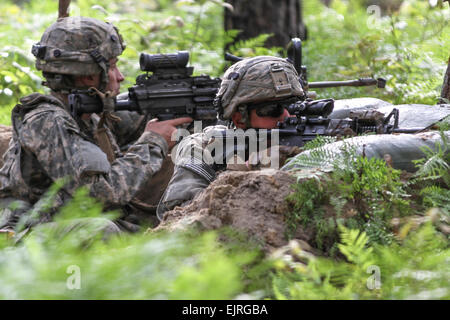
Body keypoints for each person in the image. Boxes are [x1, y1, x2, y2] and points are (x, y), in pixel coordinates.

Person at [0, 16, 192, 238]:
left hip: (67, 219)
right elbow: (100, 195)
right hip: (26, 233)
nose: (120, 77)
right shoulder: (47, 121)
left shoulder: (85, 114)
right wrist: (153, 142)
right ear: (89, 75)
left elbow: (132, 124)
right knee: (102, 231)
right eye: (111, 67)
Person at [156, 56, 305, 219]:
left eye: (293, 106)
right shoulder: (203, 148)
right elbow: (178, 219)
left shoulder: (314, 137)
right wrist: (242, 175)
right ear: (239, 118)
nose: (287, 116)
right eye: (272, 109)